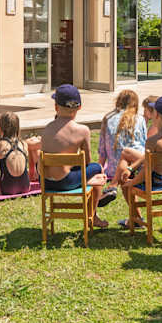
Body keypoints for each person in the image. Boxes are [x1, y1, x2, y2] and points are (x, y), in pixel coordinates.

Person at [40, 85, 109, 228]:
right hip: (65, 182)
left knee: (86, 171)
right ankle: (92, 216)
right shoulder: (82, 130)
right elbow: (87, 162)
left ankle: (90, 183)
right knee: (98, 168)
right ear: (79, 107)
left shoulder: (47, 129)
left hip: (46, 183)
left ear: (56, 107)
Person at [120, 96, 162, 228]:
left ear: (156, 115)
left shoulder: (153, 141)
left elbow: (146, 171)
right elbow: (148, 158)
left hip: (154, 182)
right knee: (130, 172)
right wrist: (132, 167)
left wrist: (132, 183)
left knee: (124, 184)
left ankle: (136, 219)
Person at [98, 89, 147, 186]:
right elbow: (144, 145)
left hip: (113, 170)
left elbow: (102, 151)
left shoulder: (107, 118)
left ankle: (113, 185)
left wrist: (100, 170)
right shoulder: (140, 119)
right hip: (136, 169)